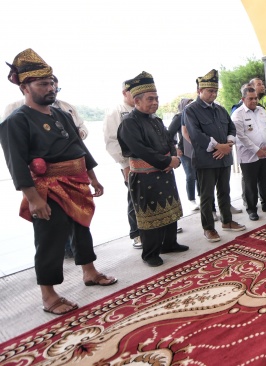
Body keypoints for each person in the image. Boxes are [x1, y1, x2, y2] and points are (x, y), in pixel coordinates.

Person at [0, 48, 117, 315]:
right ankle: (49, 295)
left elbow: (79, 147)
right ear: (24, 88)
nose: (51, 87)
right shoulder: (14, 122)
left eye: (53, 82)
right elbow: (16, 164)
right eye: (43, 83)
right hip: (47, 188)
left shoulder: (62, 113)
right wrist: (33, 199)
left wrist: (93, 176)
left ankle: (89, 271)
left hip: (77, 181)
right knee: (50, 238)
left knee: (82, 226)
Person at [117, 72, 188, 267]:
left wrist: (173, 158)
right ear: (137, 100)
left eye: (156, 98)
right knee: (150, 215)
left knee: (169, 209)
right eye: (151, 99)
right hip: (145, 177)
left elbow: (169, 141)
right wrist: (167, 162)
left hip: (164, 172)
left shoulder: (155, 120)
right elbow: (142, 150)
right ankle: (150, 253)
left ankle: (170, 243)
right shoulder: (129, 123)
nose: (155, 102)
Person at [184, 69, 246, 242]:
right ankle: (209, 228)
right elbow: (195, 135)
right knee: (207, 195)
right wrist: (218, 146)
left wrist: (228, 144)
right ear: (199, 91)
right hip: (206, 161)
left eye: (215, 91)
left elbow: (231, 128)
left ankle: (227, 221)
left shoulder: (220, 109)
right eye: (210, 91)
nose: (213, 94)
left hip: (224, 159)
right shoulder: (191, 110)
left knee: (224, 191)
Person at [232, 87, 266, 221]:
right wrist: (256, 150)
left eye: (255, 98)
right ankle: (252, 209)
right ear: (243, 99)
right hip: (249, 156)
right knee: (250, 184)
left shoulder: (262, 111)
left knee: (265, 180)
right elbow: (241, 136)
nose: (254, 101)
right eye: (250, 98)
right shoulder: (237, 114)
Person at [103, 78, 141, 248]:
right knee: (134, 197)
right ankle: (136, 233)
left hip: (149, 162)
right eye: (134, 93)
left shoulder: (144, 109)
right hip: (130, 163)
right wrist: (124, 165)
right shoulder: (116, 112)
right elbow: (111, 141)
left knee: (150, 196)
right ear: (124, 93)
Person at [3, 76, 89, 140]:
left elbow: (82, 127)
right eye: (44, 85)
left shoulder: (67, 109)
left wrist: (78, 134)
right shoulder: (13, 110)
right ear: (25, 88)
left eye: (55, 88)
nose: (52, 90)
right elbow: (9, 140)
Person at [167, 98, 198, 210]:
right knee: (190, 175)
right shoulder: (179, 117)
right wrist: (174, 148)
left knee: (199, 175)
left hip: (198, 149)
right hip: (184, 150)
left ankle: (201, 197)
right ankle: (191, 200)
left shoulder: (197, 116)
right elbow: (169, 134)